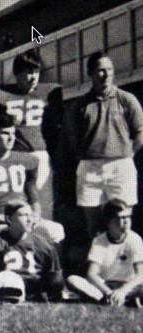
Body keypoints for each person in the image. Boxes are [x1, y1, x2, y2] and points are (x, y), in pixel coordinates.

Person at [65, 52, 143, 237]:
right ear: (91, 74)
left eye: (109, 69)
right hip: (90, 168)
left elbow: (140, 132)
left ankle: (124, 264)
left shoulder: (127, 99)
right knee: (94, 227)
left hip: (121, 166)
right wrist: (84, 156)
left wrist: (128, 153)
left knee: (122, 222)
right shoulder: (80, 105)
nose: (106, 74)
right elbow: (72, 137)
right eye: (101, 70)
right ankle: (100, 263)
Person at [0, 51, 62, 218]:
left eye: (36, 72)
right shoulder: (0, 94)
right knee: (16, 202)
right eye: (28, 72)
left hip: (38, 154)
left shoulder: (49, 93)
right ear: (17, 74)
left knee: (44, 203)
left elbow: (54, 127)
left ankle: (43, 242)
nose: (33, 77)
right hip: (15, 156)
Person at [0, 200, 64, 302]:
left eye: (31, 215)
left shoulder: (42, 243)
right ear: (9, 219)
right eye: (24, 215)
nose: (30, 219)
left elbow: (55, 278)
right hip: (6, 290)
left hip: (32, 291)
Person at [67, 199, 143, 305]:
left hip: (128, 286)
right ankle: (112, 299)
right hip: (105, 285)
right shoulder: (99, 241)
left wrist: (123, 291)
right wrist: (109, 292)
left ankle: (116, 299)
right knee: (72, 280)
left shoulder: (135, 239)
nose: (126, 221)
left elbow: (140, 274)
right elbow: (91, 274)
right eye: (120, 218)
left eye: (128, 217)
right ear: (109, 222)